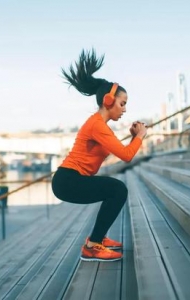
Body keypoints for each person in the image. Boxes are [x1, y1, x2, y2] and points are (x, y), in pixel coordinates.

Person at [51, 49, 147, 262]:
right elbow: (126, 156)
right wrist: (140, 136)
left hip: (70, 179)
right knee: (117, 189)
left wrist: (133, 138)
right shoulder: (97, 125)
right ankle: (92, 246)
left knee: (113, 190)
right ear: (108, 100)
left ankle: (97, 239)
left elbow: (121, 151)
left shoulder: (100, 126)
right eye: (122, 104)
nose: (124, 110)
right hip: (68, 181)